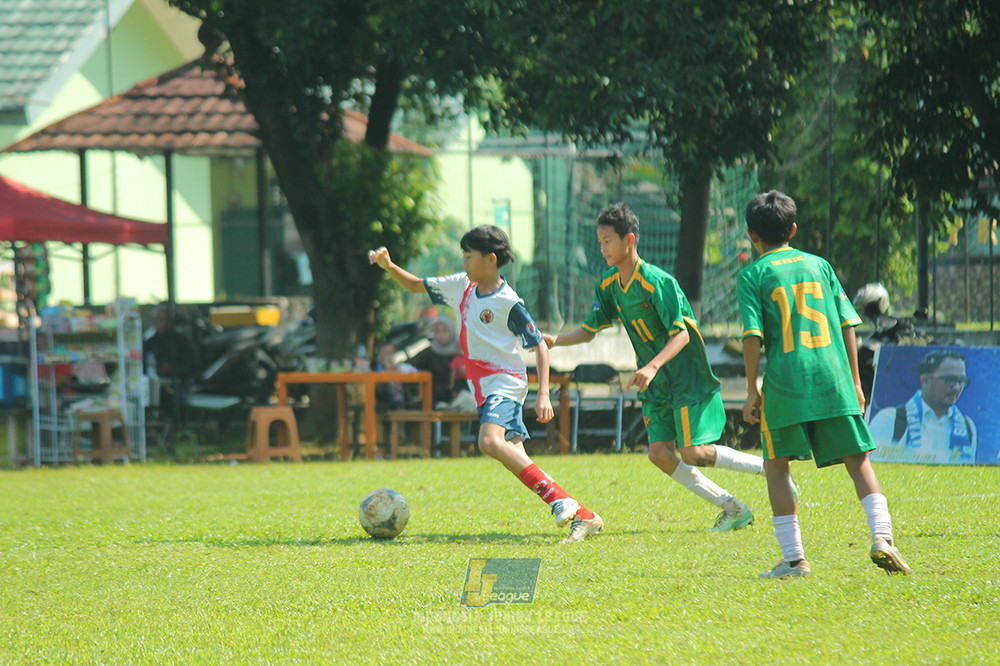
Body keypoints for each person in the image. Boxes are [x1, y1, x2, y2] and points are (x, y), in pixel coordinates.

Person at [369, 225, 603, 544]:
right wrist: (389, 266)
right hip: (483, 388)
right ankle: (583, 516)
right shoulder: (459, 286)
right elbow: (414, 285)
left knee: (489, 442)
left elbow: (540, 345)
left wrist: (544, 394)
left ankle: (566, 504)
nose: (463, 263)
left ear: (490, 259)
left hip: (505, 383)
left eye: (468, 256)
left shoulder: (509, 302)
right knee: (516, 457)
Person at [544, 202, 766, 532]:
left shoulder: (656, 282)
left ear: (628, 240)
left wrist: (652, 366)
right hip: (656, 382)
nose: (602, 247)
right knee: (660, 453)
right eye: (600, 241)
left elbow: (682, 336)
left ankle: (770, 467)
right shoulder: (608, 285)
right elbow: (590, 330)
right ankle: (733, 508)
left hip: (684, 376)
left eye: (607, 241)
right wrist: (554, 341)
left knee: (692, 452)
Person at [737, 190, 911, 579]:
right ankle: (883, 538)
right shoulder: (821, 265)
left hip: (785, 384)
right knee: (858, 460)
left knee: (776, 466)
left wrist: (752, 389)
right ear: (793, 229)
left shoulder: (752, 275)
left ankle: (795, 560)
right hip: (834, 378)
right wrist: (854, 379)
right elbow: (848, 323)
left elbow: (752, 335)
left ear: (752, 236)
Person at [868, 349, 977, 464]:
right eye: (949, 380)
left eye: (961, 381)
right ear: (925, 381)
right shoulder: (888, 420)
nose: (956, 388)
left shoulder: (967, 426)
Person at [143, 304, 199, 417]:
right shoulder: (149, 343)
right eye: (159, 319)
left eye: (166, 320)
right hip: (153, 384)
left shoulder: (183, 342)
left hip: (178, 384)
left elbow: (193, 367)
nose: (162, 323)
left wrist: (172, 370)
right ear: (154, 321)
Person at [407, 315, 462, 406]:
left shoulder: (460, 351)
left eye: (444, 331)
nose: (441, 335)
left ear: (451, 331)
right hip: (433, 397)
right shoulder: (429, 352)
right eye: (437, 331)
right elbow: (411, 363)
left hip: (458, 396)